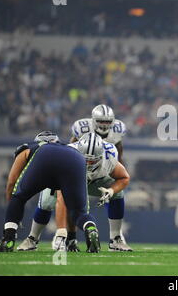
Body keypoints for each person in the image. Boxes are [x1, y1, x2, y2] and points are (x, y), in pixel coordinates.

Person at [24, 132, 133, 252]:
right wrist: (61, 231)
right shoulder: (67, 156)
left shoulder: (109, 156)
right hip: (70, 178)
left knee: (118, 193)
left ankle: (115, 239)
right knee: (46, 203)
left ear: (101, 155)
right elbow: (62, 197)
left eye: (92, 161)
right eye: (85, 160)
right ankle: (32, 238)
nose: (89, 164)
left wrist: (111, 190)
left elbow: (124, 177)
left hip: (95, 181)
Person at [0, 135, 100, 253]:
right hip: (76, 159)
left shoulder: (28, 149)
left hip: (44, 157)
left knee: (19, 197)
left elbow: (11, 182)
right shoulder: (67, 148)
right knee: (78, 212)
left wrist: (13, 212)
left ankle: (8, 239)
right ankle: (90, 228)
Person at [53, 104, 127, 251]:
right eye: (101, 121)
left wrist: (116, 168)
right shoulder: (81, 129)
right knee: (51, 201)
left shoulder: (116, 135)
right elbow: (71, 149)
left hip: (101, 170)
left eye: (107, 122)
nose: (104, 125)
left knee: (117, 192)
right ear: (93, 120)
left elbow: (119, 152)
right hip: (78, 171)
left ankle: (115, 238)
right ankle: (37, 237)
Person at [16, 131, 66, 251]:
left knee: (76, 206)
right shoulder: (29, 153)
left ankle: (70, 238)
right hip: (52, 179)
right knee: (46, 203)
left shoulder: (66, 154)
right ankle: (33, 238)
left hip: (72, 178)